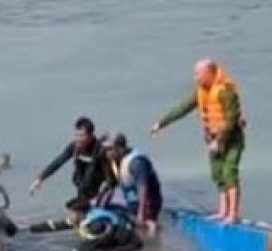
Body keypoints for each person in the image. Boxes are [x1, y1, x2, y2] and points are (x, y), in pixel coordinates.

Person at [150, 59, 246, 223]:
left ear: (210, 73)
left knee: (230, 172)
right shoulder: (201, 92)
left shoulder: (224, 91)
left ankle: (232, 214)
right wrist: (161, 123)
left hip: (231, 138)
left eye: (198, 74)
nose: (195, 78)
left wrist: (220, 140)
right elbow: (183, 108)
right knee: (218, 174)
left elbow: (231, 118)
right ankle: (223, 211)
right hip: (212, 139)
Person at [30, 117, 113, 224]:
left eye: (81, 136)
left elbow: (113, 176)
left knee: (83, 213)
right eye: (76, 135)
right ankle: (79, 217)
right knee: (75, 211)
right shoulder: (75, 147)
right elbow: (59, 161)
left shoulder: (100, 150)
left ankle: (88, 215)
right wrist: (40, 178)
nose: (78, 139)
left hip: (96, 187)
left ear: (91, 135)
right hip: (82, 187)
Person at [103, 132, 162, 236]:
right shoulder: (115, 161)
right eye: (105, 149)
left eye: (109, 149)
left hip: (148, 202)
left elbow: (143, 187)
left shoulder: (136, 162)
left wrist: (141, 214)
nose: (106, 153)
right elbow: (111, 185)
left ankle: (154, 237)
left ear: (120, 149)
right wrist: (102, 204)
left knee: (145, 225)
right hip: (132, 201)